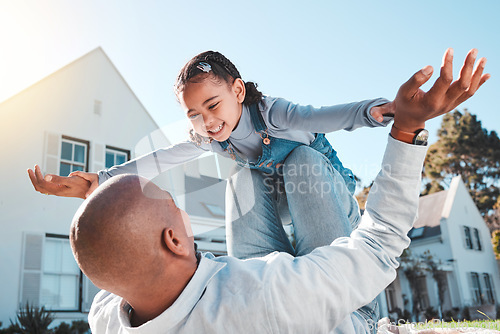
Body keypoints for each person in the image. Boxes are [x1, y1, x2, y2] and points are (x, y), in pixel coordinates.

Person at [66, 49, 488, 333]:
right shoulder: (207, 138)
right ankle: (269, 306)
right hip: (276, 205)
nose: (206, 123)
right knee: (241, 180)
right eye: (194, 115)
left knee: (298, 161)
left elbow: (326, 116)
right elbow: (158, 158)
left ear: (238, 91)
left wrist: (383, 113)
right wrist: (100, 180)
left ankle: (355, 310)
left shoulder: (275, 114)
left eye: (213, 106)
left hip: (323, 187)